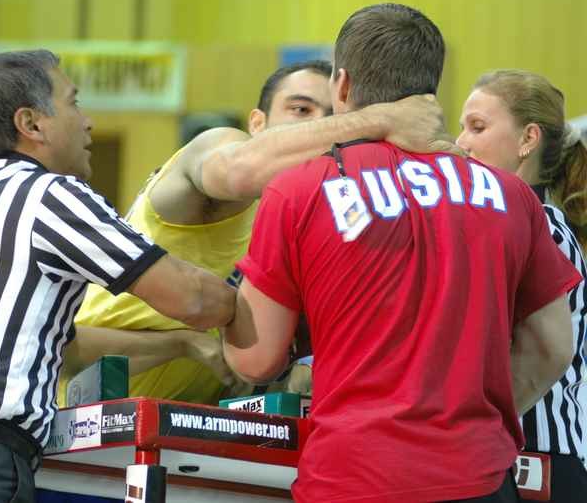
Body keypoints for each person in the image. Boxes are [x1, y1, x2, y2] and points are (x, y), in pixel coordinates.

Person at [222, 3, 582, 503]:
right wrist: (474, 423)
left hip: (352, 477)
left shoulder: (298, 190)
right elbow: (552, 346)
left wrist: (220, 313)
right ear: (430, 89)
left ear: (342, 86)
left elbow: (256, 359)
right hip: (478, 475)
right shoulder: (512, 195)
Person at [0, 50, 237, 503]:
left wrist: (184, 345)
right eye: (74, 103)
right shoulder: (48, 195)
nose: (87, 121)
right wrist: (269, 297)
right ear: (31, 124)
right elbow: (190, 299)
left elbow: (66, 348)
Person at [70, 59, 450, 405]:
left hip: (188, 445)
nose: (317, 124)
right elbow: (65, 350)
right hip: (78, 438)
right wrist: (184, 343)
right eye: (301, 110)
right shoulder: (220, 149)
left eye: (330, 114)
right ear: (257, 124)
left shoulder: (322, 211)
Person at [457, 69, 587, 502]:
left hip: (542, 456)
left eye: (477, 127)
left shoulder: (544, 226)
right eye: (462, 128)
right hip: (498, 456)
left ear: (528, 140)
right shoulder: (491, 222)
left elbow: (543, 350)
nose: (461, 143)